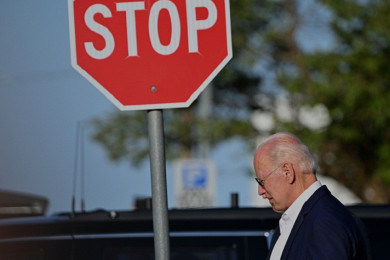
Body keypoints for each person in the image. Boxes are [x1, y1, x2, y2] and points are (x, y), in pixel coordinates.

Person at [253, 132, 369, 260]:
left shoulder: (325, 222)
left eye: (262, 181)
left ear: (288, 172)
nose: (260, 191)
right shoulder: (295, 222)